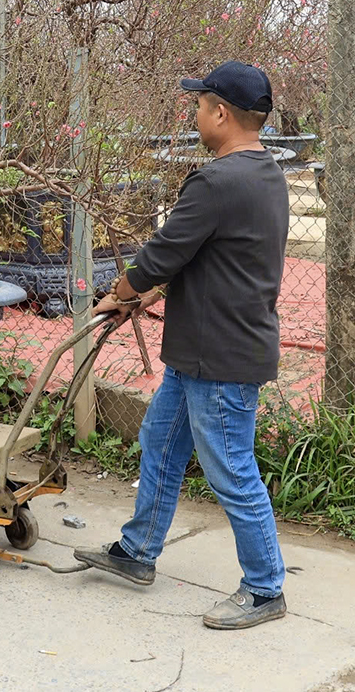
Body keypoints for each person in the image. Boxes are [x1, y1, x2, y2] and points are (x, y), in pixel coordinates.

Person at [73, 61, 291, 629]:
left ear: (220, 112)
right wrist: (147, 294)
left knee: (231, 469)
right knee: (162, 444)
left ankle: (266, 588)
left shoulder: (217, 181)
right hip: (203, 348)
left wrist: (119, 293)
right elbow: (209, 257)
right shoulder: (265, 172)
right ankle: (138, 551)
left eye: (198, 106)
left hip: (218, 357)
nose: (193, 115)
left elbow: (164, 253)